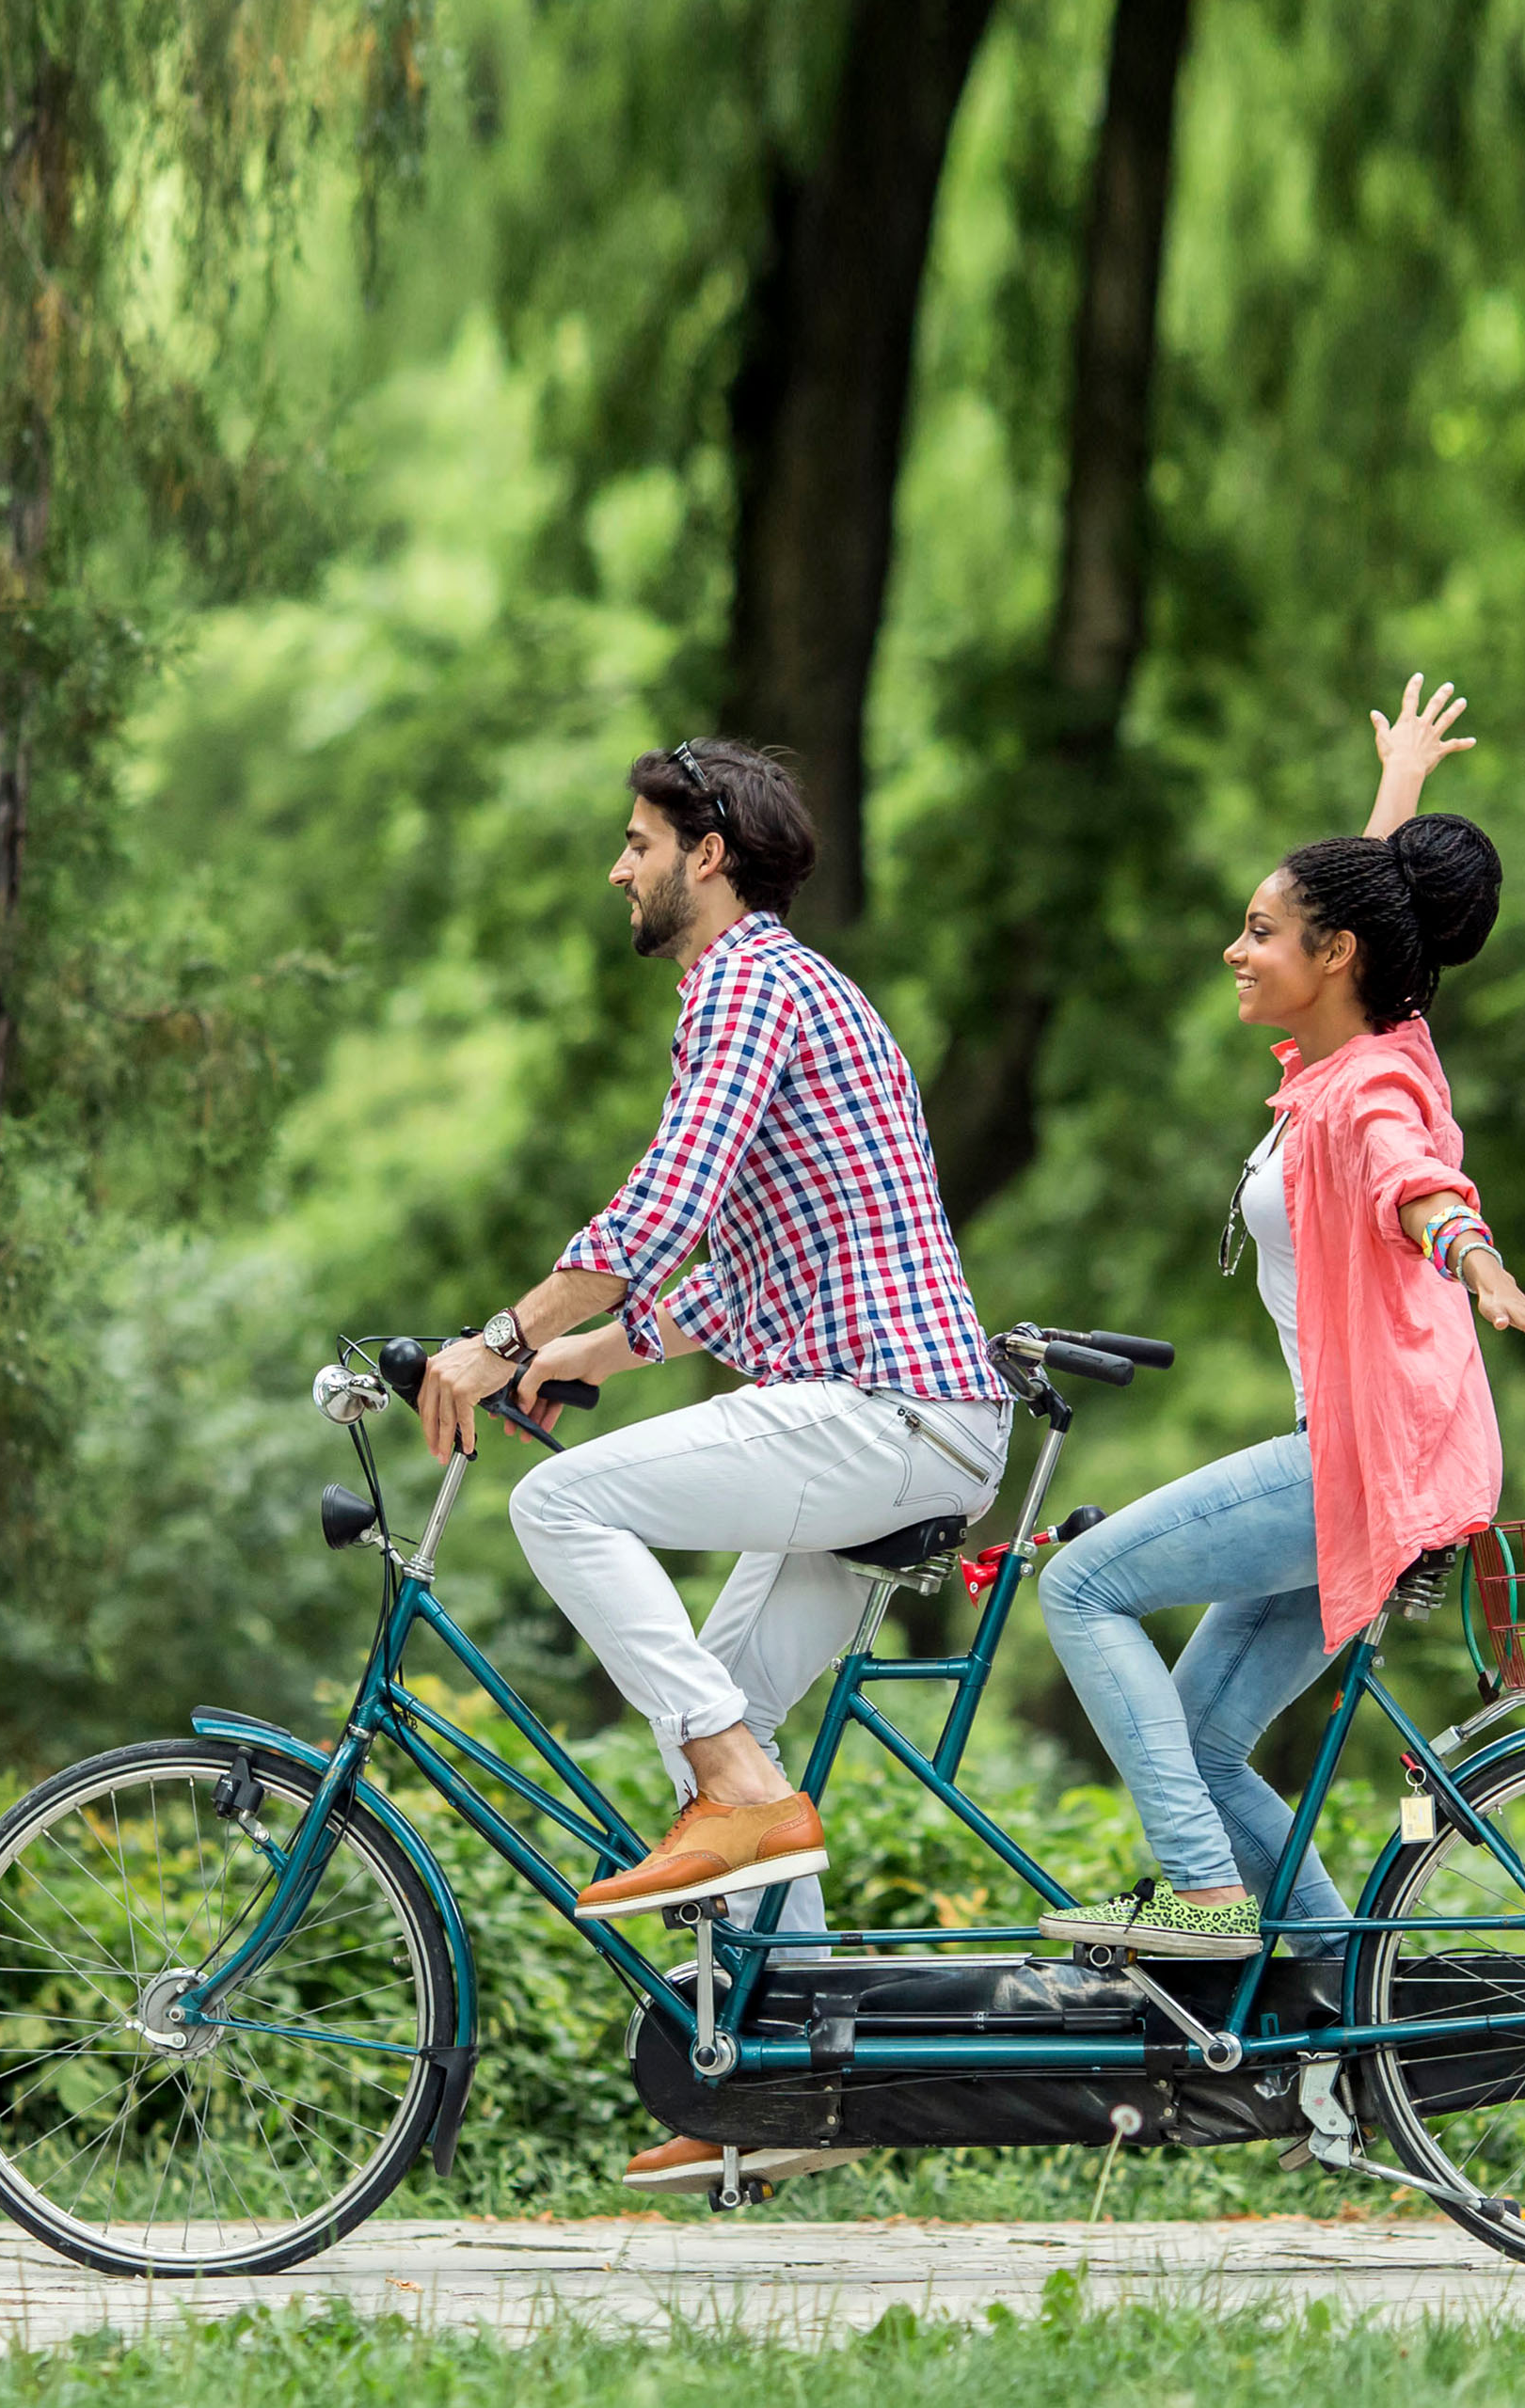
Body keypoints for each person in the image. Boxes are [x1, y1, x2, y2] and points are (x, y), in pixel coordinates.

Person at [412, 737, 1012, 2193]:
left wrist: (500, 1334)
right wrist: (572, 1357)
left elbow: (664, 1202)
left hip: (883, 1410)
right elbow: (715, 1287)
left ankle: (728, 1788)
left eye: (635, 840)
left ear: (710, 853)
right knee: (735, 1710)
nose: (617, 866)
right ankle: (793, 2091)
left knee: (563, 1502)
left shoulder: (748, 980)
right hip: (901, 1419)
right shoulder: (784, 998)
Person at [1034, 678, 1525, 1959]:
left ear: (1331, 959)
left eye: (1259, 932)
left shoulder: (1366, 1099)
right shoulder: (1383, 1036)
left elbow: (1419, 1184)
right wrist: (1399, 786)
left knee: (1080, 1590)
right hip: (1391, 1462)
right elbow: (1366, 908)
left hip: (1360, 1464)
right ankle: (1357, 2038)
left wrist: (1482, 1263)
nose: (1236, 951)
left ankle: (1200, 1895)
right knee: (1197, 1738)